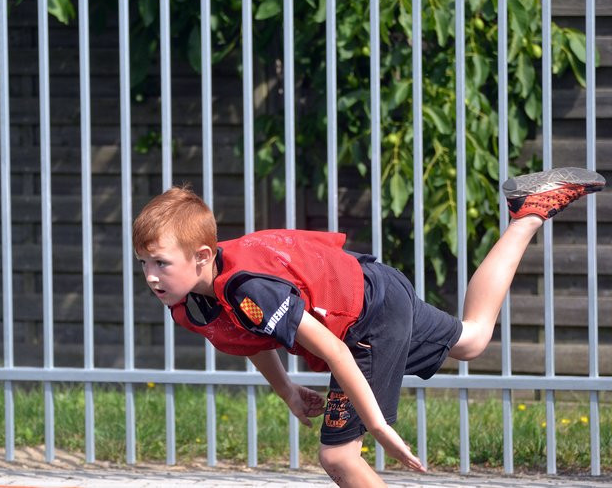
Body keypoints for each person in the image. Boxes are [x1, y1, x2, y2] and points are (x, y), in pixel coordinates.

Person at [132, 167, 605, 487]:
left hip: (369, 320)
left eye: (160, 263)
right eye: (143, 264)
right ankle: (530, 211)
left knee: (339, 456)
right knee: (473, 337)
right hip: (373, 290)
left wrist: (377, 425)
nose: (151, 276)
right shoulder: (199, 295)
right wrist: (289, 392)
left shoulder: (249, 287)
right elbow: (250, 335)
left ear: (201, 257)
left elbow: (336, 352)